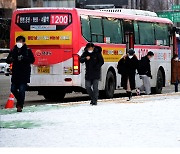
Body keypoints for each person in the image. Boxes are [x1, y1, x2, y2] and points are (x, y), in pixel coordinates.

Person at [6, 36, 35, 112]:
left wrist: (23, 58)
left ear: (24, 42)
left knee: (22, 90)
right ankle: (20, 101)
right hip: (15, 74)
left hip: (24, 74)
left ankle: (20, 106)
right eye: (18, 41)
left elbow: (32, 60)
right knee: (13, 89)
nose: (19, 43)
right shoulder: (13, 50)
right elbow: (7, 60)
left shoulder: (27, 51)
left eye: (21, 41)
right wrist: (11, 59)